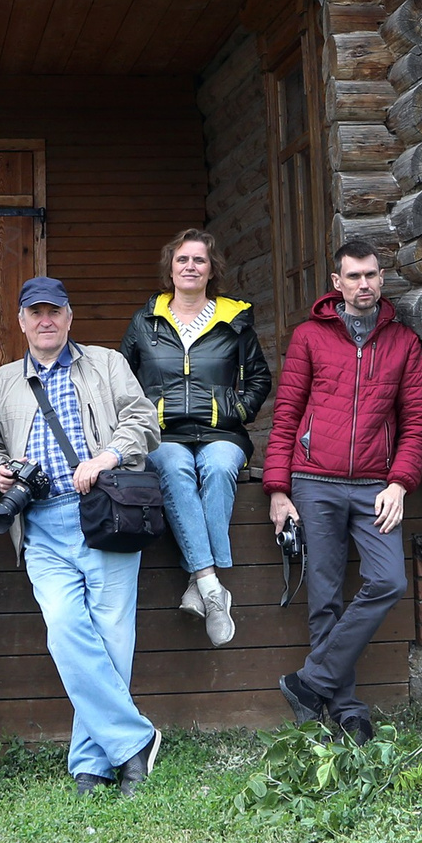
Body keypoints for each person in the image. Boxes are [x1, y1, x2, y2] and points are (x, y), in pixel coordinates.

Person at [0, 277, 162, 799]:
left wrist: (106, 457)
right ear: (21, 321)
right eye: (35, 312)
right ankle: (135, 740)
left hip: (103, 514)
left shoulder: (106, 364)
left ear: (69, 316)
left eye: (54, 311)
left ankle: (91, 763)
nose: (46, 320)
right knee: (64, 630)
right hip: (40, 524)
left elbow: (143, 420)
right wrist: (0, 471)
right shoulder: (3, 381)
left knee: (111, 638)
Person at [265, 238, 422, 744]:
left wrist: (400, 483)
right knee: (325, 599)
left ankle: (310, 683)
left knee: (388, 581)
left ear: (381, 279)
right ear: (337, 283)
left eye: (371, 275)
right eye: (354, 276)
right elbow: (287, 414)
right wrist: (278, 489)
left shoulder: (402, 342)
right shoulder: (310, 337)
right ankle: (346, 711)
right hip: (314, 482)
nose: (364, 284)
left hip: (375, 487)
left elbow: (418, 424)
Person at [118, 228, 273, 648]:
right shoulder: (145, 321)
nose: (190, 266)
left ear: (211, 270)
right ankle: (211, 586)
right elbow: (121, 380)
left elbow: (259, 378)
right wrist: (141, 419)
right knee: (175, 469)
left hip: (223, 431)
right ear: (170, 269)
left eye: (199, 260)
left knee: (219, 467)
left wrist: (234, 410)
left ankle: (198, 580)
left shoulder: (235, 320)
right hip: (164, 434)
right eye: (182, 259)